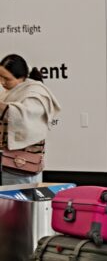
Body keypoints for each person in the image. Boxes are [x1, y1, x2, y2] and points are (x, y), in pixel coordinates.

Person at [0, 54, 61, 186]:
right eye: (0, 77)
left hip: (22, 165)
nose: (2, 82)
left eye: (6, 78)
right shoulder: (10, 91)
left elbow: (22, 116)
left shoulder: (35, 93)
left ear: (22, 77)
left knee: (20, 203)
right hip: (6, 161)